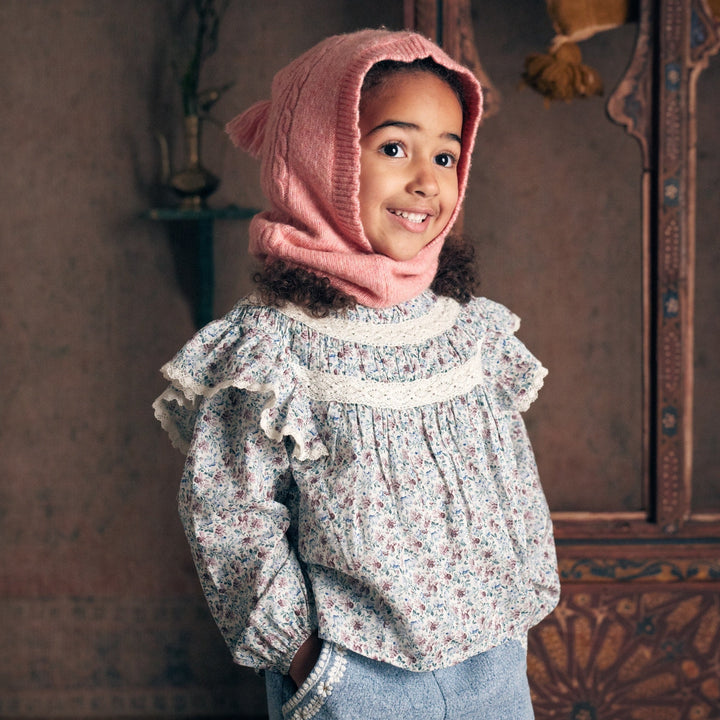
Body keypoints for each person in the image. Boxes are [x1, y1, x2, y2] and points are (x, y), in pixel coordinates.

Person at [154, 28, 559, 720]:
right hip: (356, 678)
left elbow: (511, 487)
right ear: (321, 153)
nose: (426, 180)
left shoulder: (470, 333)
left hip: (493, 670)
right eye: (394, 148)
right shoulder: (269, 348)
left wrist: (513, 620)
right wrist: (312, 662)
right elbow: (229, 518)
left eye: (446, 154)